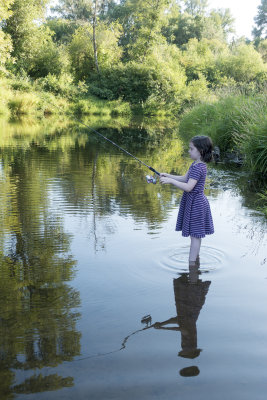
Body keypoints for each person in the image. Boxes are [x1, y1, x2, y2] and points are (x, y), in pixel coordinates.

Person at [160, 135, 214, 263]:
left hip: (196, 203)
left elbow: (189, 187)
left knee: (195, 236)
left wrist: (170, 181)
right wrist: (168, 175)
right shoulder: (197, 164)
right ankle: (196, 260)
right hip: (195, 202)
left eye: (191, 149)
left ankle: (192, 264)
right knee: (195, 235)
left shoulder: (198, 167)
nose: (189, 151)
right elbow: (185, 179)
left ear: (200, 151)